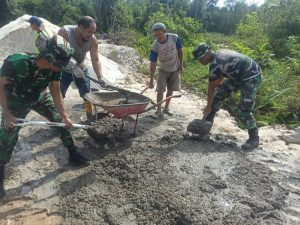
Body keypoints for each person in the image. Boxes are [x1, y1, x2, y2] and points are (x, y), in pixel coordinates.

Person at [0, 36, 90, 199]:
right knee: (7, 138)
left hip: (38, 97)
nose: (61, 67)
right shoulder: (16, 62)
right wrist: (7, 115)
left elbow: (55, 90)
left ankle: (73, 153)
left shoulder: (54, 69)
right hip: (15, 102)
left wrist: (64, 116)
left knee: (60, 122)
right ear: (50, 58)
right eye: (60, 63)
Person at [193, 43, 262, 150]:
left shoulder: (215, 64)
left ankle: (254, 139)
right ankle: (205, 128)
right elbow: (223, 74)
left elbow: (211, 88)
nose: (199, 62)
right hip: (237, 76)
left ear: (206, 55)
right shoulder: (218, 54)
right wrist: (215, 97)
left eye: (200, 59)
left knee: (244, 110)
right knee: (217, 98)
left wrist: (208, 106)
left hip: (251, 76)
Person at [58, 16, 108, 119]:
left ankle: (90, 117)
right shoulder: (65, 33)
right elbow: (58, 54)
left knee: (87, 96)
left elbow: (95, 59)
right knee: (59, 94)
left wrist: (100, 77)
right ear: (80, 27)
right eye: (89, 32)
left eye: (93, 32)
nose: (91, 35)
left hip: (81, 69)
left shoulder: (92, 40)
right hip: (63, 69)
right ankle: (59, 119)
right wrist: (72, 67)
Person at [149, 22, 183, 119]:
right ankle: (158, 110)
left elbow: (180, 51)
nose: (158, 36)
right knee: (160, 90)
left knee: (171, 89)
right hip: (163, 69)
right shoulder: (155, 46)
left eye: (160, 34)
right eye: (156, 35)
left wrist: (181, 64)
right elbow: (153, 63)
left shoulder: (174, 38)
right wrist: (151, 79)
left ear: (165, 31)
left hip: (175, 68)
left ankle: (166, 108)